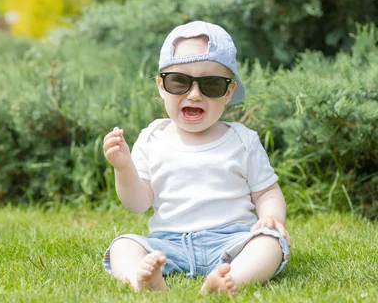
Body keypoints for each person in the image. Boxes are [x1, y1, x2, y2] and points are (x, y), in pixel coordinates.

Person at [102, 21, 291, 294]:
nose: (194, 94)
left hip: (232, 241)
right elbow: (138, 203)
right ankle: (142, 281)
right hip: (167, 244)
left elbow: (267, 191)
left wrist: (272, 218)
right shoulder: (152, 137)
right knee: (124, 245)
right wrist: (123, 168)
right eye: (179, 81)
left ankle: (230, 279)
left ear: (228, 92)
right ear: (161, 87)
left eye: (211, 85)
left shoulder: (242, 140)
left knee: (270, 243)